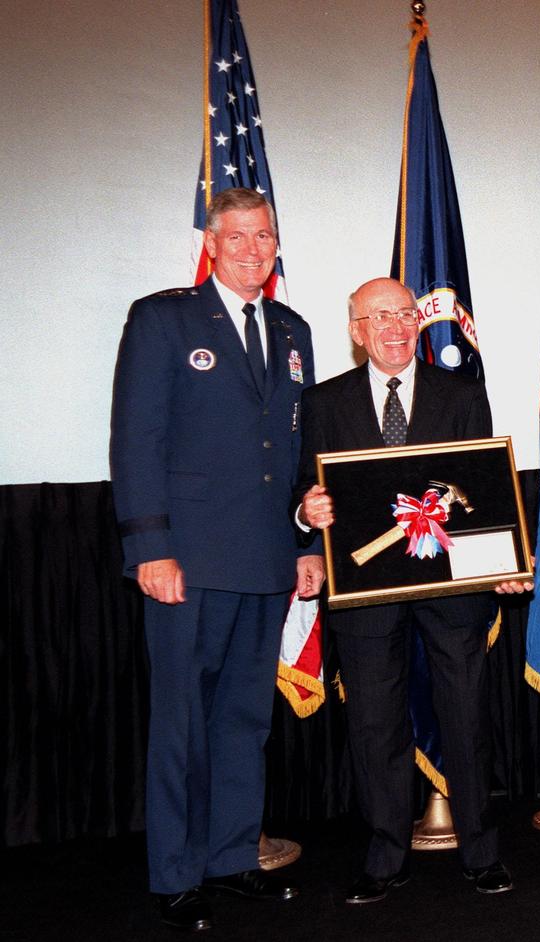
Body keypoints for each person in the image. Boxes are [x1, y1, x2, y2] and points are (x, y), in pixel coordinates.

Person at [110, 187, 323, 931]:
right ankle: (175, 872)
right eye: (237, 236)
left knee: (244, 721)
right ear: (211, 241)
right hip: (189, 563)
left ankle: (233, 858)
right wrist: (150, 549)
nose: (252, 249)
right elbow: (137, 442)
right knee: (183, 723)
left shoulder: (293, 329)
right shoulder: (163, 320)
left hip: (266, 558)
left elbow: (299, 452)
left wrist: (304, 544)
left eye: (264, 236)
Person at [294, 277, 530, 903]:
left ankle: (480, 851)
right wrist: (305, 514)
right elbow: (303, 489)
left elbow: (479, 485)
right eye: (380, 317)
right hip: (364, 590)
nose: (396, 327)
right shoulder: (322, 403)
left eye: (405, 314)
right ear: (356, 331)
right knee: (374, 725)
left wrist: (502, 557)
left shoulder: (461, 393)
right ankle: (384, 857)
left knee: (466, 715)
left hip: (453, 588)